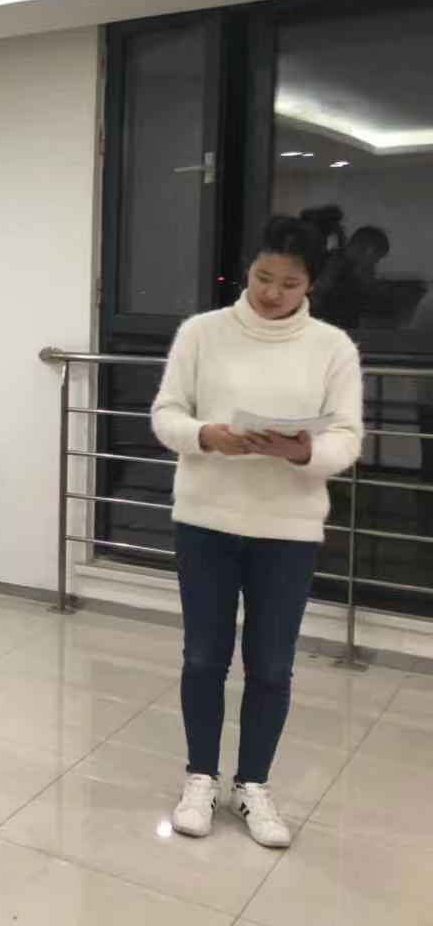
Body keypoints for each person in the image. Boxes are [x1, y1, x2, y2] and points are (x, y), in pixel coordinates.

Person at [151, 216, 364, 849]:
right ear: (248, 268)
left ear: (311, 284)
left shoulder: (332, 348)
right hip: (207, 521)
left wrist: (303, 451)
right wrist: (206, 435)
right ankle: (200, 777)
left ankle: (253, 784)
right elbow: (166, 415)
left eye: (289, 283)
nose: (272, 292)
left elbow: (347, 438)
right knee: (203, 657)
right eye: (263, 276)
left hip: (287, 529)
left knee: (271, 665)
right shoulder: (202, 333)